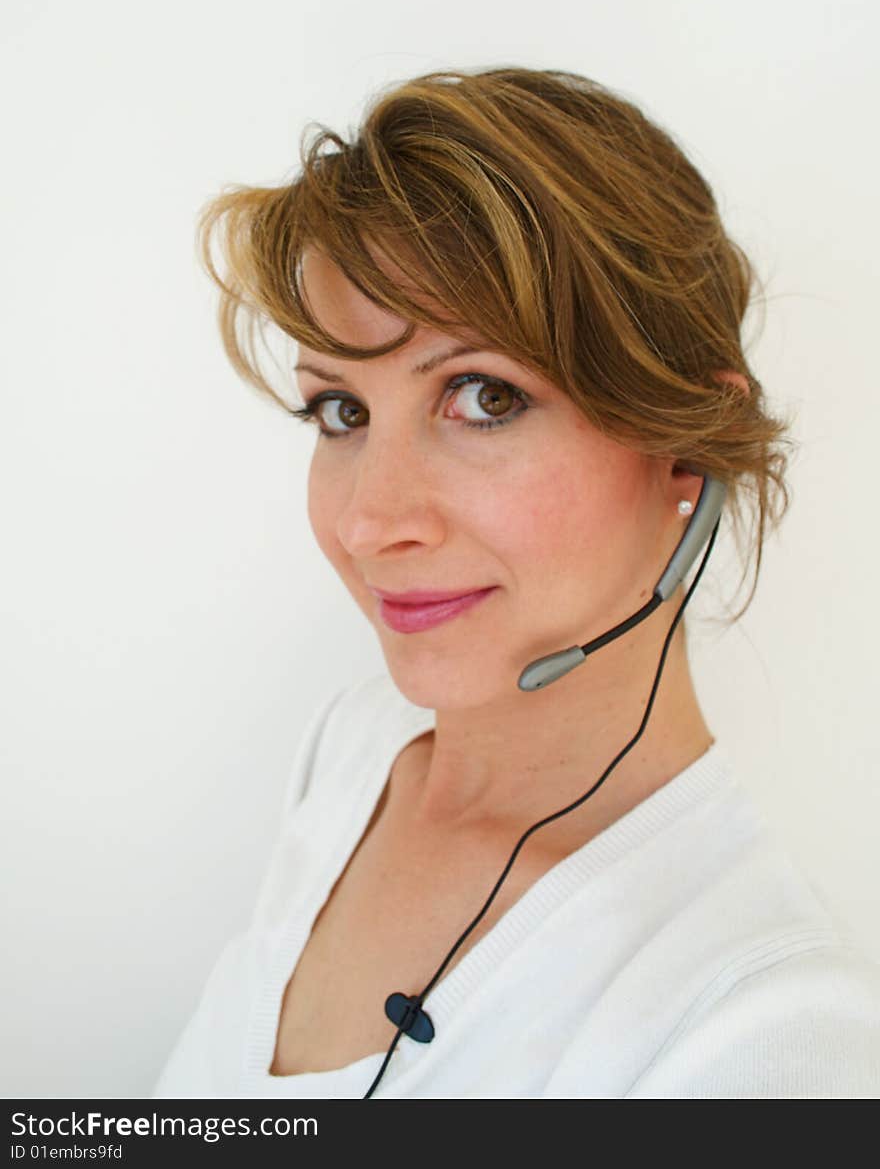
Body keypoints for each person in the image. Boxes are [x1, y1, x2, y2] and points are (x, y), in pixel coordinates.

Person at [152, 66, 880, 1099]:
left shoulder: (768, 1032)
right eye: (341, 413)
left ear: (684, 448)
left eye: (483, 396)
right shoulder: (351, 753)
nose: (370, 521)